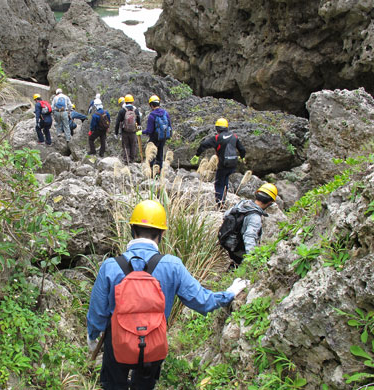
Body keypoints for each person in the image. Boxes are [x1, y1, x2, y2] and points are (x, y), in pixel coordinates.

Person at [87, 199, 250, 390]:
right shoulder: (172, 265)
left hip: (117, 343)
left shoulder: (110, 266)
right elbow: (202, 301)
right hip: (153, 342)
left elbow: (98, 311)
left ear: (132, 229)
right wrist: (229, 293)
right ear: (162, 233)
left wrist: (93, 336)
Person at [190, 118, 246, 207]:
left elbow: (203, 144)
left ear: (217, 129)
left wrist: (197, 155)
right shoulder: (234, 136)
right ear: (227, 128)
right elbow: (242, 149)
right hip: (233, 163)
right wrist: (242, 157)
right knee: (225, 180)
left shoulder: (217, 138)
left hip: (223, 164)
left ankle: (220, 203)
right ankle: (224, 198)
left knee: (219, 182)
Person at [221, 183, 277, 268]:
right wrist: (252, 260)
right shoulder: (255, 217)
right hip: (238, 249)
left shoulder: (243, 203)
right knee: (236, 267)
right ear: (270, 203)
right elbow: (249, 237)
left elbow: (226, 215)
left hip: (227, 241)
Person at [138, 95, 172, 171]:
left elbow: (149, 131)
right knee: (160, 154)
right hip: (163, 136)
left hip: (154, 138)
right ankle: (159, 172)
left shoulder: (152, 115)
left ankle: (151, 172)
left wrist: (141, 132)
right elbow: (169, 125)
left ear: (151, 105)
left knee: (152, 154)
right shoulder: (165, 113)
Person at [114, 94, 142, 164]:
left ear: (125, 102)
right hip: (133, 131)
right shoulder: (136, 110)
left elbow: (117, 122)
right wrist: (139, 132)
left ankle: (126, 161)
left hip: (125, 131)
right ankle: (132, 160)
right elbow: (139, 122)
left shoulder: (122, 111)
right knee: (133, 145)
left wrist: (116, 133)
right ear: (132, 102)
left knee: (126, 146)